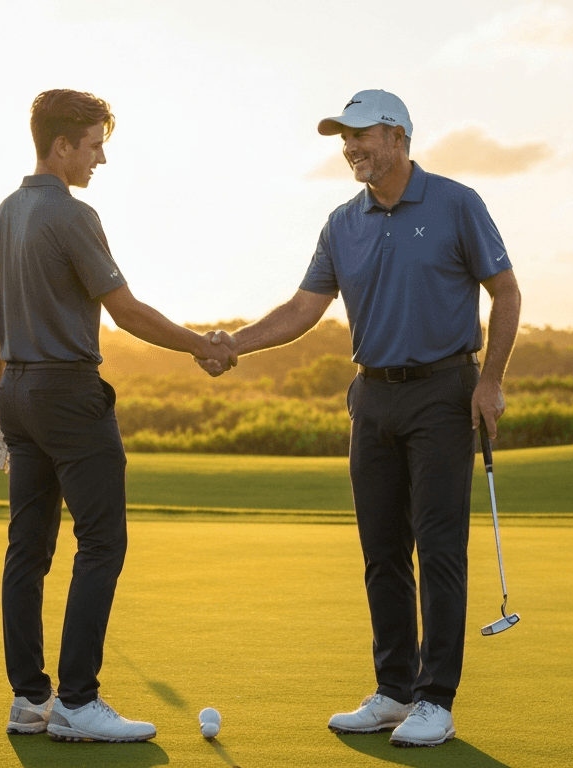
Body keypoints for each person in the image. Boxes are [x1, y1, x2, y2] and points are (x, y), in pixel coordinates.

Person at [203, 89, 521, 747]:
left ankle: (436, 699)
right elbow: (301, 310)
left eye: (360, 135)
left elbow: (507, 291)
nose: (350, 148)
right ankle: (394, 691)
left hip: (443, 391)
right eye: (343, 138)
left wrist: (491, 380)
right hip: (371, 398)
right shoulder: (341, 222)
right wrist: (235, 342)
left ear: (398, 136)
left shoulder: (457, 203)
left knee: (437, 549)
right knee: (381, 552)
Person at [0, 88, 235, 743]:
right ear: (62, 146)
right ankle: (78, 700)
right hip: (68, 395)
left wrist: (5, 401)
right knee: (101, 542)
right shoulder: (73, 215)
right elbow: (126, 311)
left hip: (18, 392)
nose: (101, 160)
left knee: (27, 549)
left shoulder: (0, 216)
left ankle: (30, 700)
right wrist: (202, 345)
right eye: (94, 146)